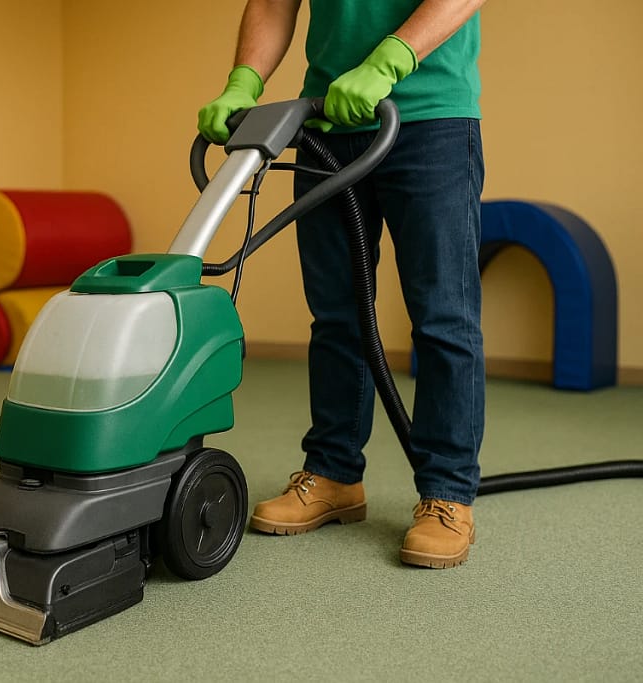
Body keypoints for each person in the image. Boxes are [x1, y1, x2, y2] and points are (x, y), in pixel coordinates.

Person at [198, 0, 487, 569]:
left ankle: (448, 494)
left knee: (442, 317)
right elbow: (274, 4)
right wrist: (243, 82)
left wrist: (391, 58)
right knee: (335, 314)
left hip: (430, 120)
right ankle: (332, 474)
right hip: (325, 119)